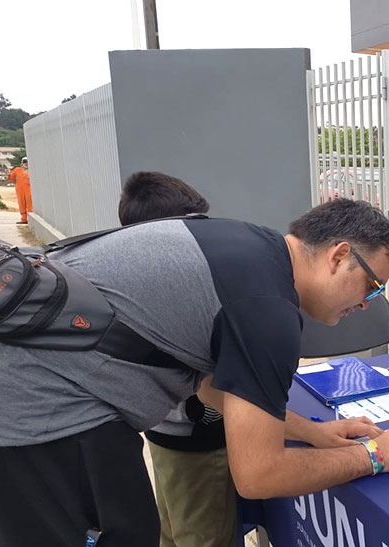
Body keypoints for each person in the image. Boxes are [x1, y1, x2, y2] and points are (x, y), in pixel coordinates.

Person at [0, 198, 389, 546]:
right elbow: (258, 476)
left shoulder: (251, 252)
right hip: (41, 415)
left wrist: (312, 432)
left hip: (22, 395)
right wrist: (375, 456)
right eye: (373, 285)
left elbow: (215, 388)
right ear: (339, 255)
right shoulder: (268, 309)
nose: (369, 302)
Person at [118, 171, 235, 547]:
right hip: (198, 441)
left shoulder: (131, 277)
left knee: (172, 531)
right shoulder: (178, 291)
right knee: (203, 535)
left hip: (162, 428)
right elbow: (210, 390)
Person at [7, 156, 33, 224]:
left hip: (29, 191)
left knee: (30, 205)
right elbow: (11, 178)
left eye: (27, 162)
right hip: (19, 191)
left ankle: (31, 220)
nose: (26, 163)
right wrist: (8, 174)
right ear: (22, 162)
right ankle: (24, 219)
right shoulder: (17, 170)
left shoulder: (33, 171)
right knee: (21, 205)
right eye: (24, 162)